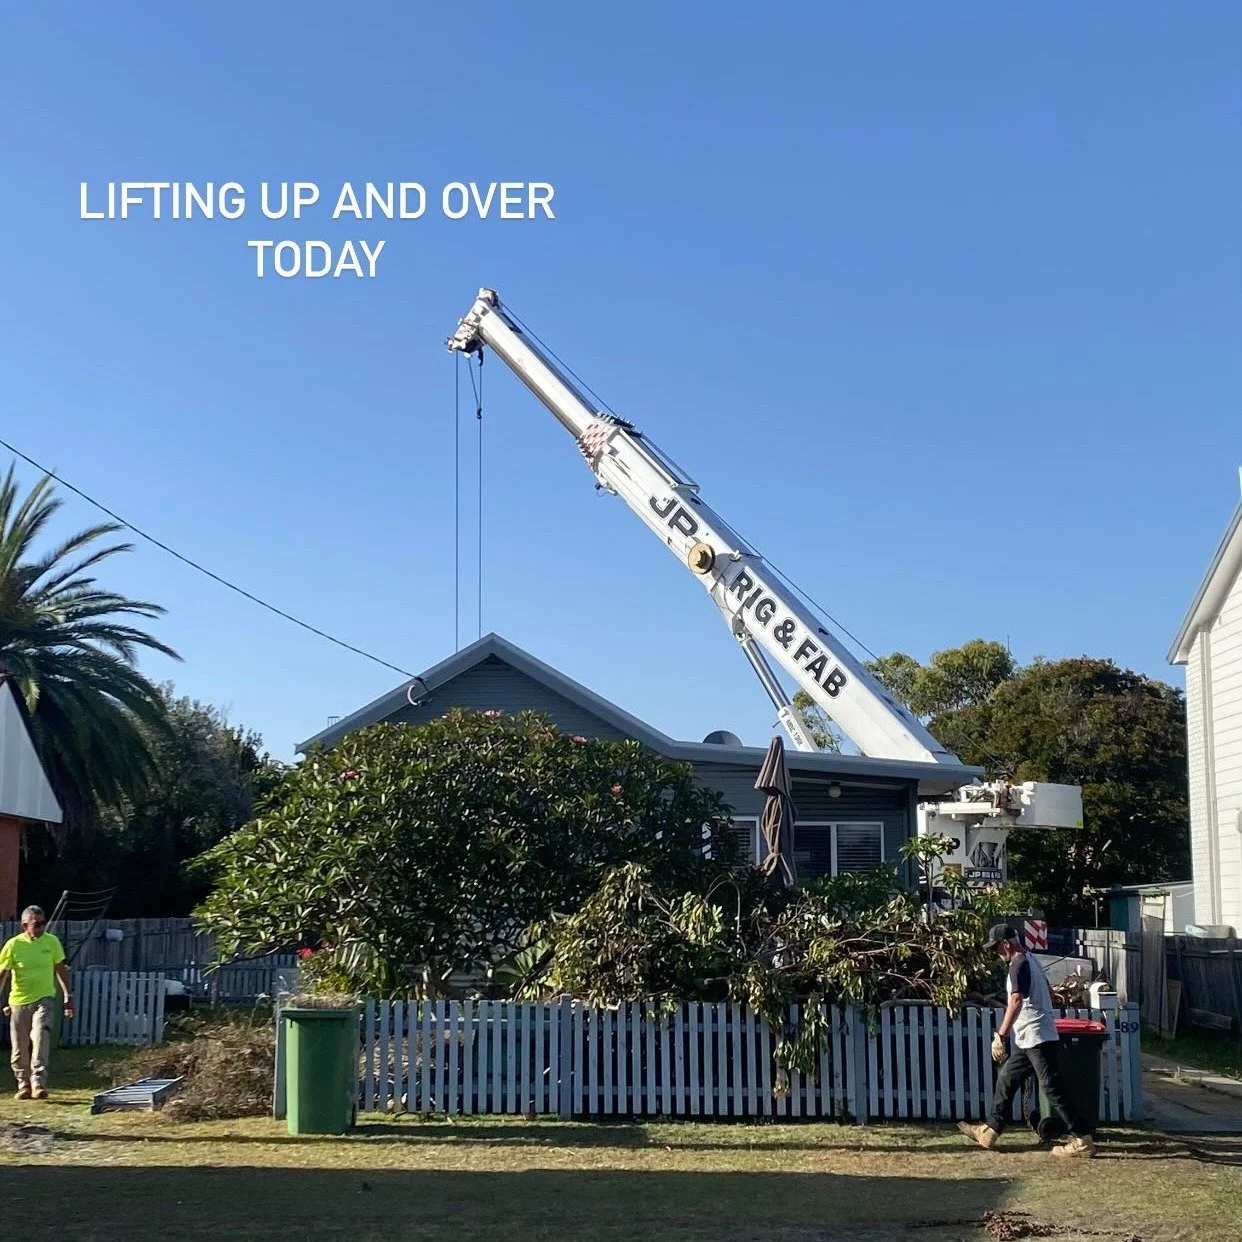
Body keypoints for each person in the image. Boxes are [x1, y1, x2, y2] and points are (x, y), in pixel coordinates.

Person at [957, 923, 1096, 1158]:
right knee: (1007, 1078)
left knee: (1052, 1087)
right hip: (1030, 1036)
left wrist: (1000, 1034)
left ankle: (1083, 1139)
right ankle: (990, 1130)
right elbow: (1049, 994)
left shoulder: (1017, 964)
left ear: (1005, 944)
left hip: (1036, 1036)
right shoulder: (1031, 960)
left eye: (995, 948)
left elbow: (1017, 1001)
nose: (995, 953)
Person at [0, 906, 73, 1101]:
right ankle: (23, 1084)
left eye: (43, 923)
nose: (41, 928)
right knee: (19, 1046)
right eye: (37, 924)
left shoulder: (51, 942)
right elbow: (3, 974)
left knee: (41, 1036)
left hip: (44, 998)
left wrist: (67, 996)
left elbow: (60, 968)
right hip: (19, 1001)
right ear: (25, 925)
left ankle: (38, 1083)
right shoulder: (13, 945)